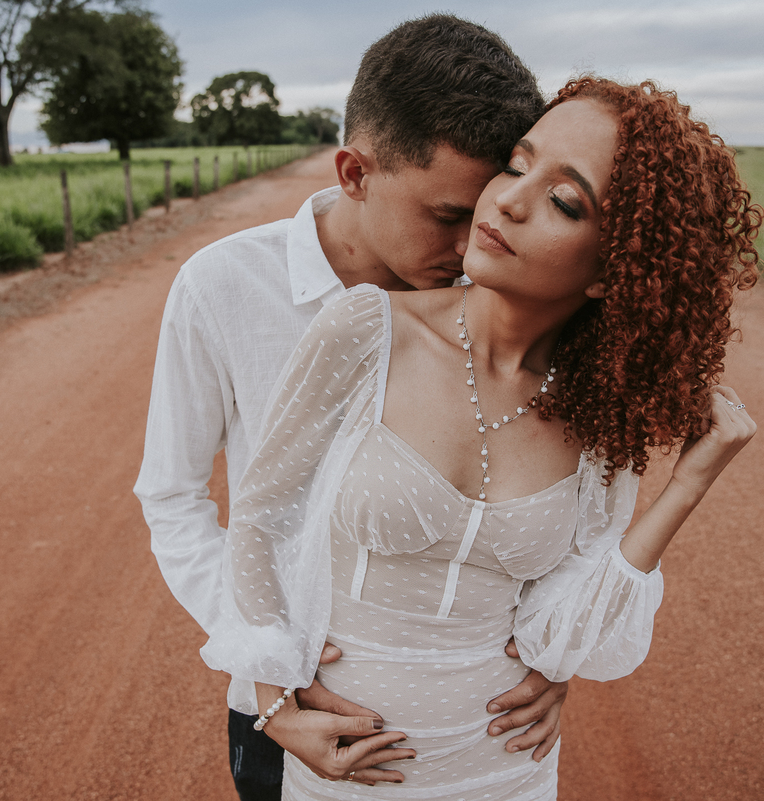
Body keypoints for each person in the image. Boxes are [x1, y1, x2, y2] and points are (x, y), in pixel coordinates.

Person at [200, 76, 763, 800]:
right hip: (347, 772)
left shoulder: (598, 412)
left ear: (611, 270)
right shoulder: (367, 330)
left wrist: (686, 485)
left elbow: (563, 636)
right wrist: (274, 701)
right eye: (517, 164)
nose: (508, 201)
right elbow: (262, 513)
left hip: (506, 770)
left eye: (565, 201)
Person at [134, 15, 566, 801]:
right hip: (286, 718)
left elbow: (555, 497)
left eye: (488, 212)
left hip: (474, 738)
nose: (472, 245)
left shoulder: (504, 298)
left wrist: (557, 652)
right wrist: (269, 660)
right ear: (354, 173)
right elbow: (172, 495)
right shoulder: (223, 286)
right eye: (448, 215)